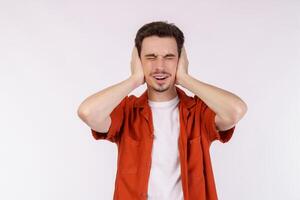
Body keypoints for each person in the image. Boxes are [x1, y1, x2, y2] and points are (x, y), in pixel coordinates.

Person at [77, 21, 247, 200]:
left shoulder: (198, 111)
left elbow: (236, 110)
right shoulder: (127, 111)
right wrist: (134, 79)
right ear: (138, 61)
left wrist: (185, 78)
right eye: (150, 57)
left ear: (180, 61)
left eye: (169, 57)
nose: (160, 66)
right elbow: (88, 112)